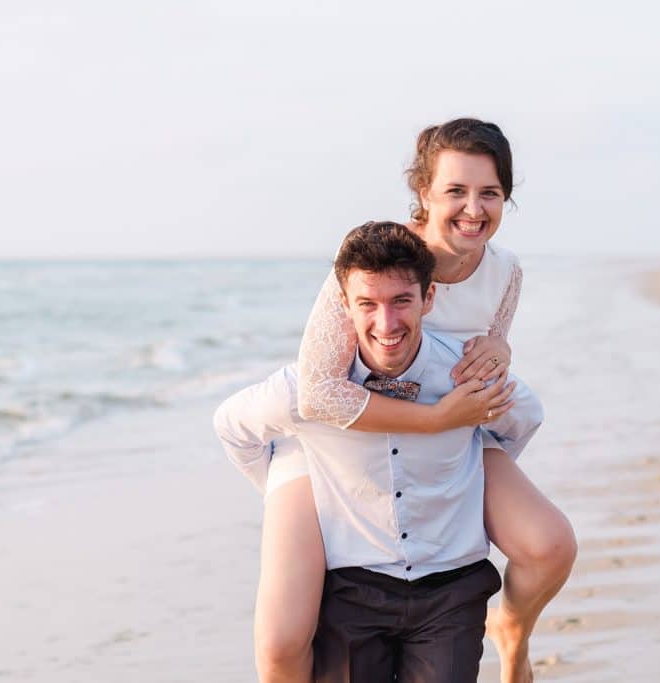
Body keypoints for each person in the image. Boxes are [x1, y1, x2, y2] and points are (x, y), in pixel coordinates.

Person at [255, 118, 577, 683]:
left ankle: (512, 632)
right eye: (455, 191)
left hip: (448, 439)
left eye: (490, 193)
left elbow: (491, 346)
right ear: (423, 195)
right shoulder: (380, 260)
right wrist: (433, 419)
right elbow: (320, 391)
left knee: (550, 545)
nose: (473, 209)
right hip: (335, 443)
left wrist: (500, 349)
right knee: (282, 642)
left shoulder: (505, 272)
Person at [214, 222, 545, 681]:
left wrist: (467, 470)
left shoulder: (465, 376)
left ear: (429, 299)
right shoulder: (306, 391)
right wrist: (293, 490)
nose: (386, 324)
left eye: (401, 301)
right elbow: (232, 428)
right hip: (353, 589)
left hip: (448, 588)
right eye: (367, 304)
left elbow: (523, 419)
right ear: (344, 307)